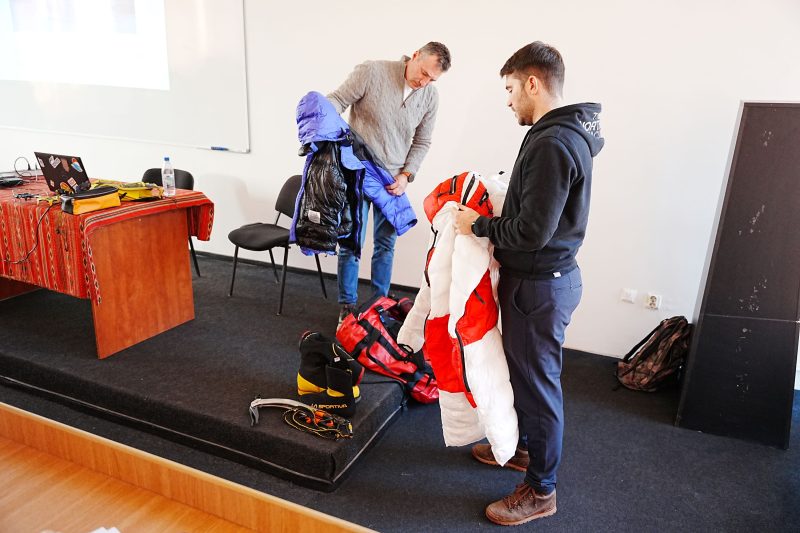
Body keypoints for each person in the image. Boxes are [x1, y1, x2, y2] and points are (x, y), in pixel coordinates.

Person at [454, 41, 604, 526]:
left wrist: (477, 225)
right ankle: (524, 449)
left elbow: (532, 232)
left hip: (539, 287)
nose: (508, 100)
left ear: (533, 83)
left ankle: (541, 490)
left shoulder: (552, 143)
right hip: (544, 282)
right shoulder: (561, 133)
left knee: (538, 388)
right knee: (527, 378)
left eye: (510, 89)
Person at [327, 42, 451, 324]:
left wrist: (406, 175)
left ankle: (378, 305)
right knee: (351, 242)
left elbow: (422, 141)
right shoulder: (372, 71)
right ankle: (347, 306)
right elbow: (338, 100)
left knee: (385, 245)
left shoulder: (430, 96)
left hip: (392, 181)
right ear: (415, 56)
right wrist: (321, 116)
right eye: (423, 73)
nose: (424, 82)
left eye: (432, 79)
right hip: (357, 173)